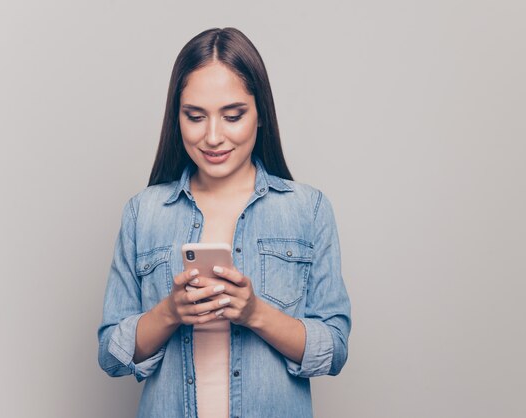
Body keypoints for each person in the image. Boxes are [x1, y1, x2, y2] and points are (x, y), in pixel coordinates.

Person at [97, 27, 351, 418]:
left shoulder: (308, 209)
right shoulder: (143, 213)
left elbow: (333, 349)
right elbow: (111, 355)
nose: (213, 137)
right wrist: (169, 313)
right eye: (195, 117)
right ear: (176, 117)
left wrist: (255, 314)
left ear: (260, 114)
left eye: (233, 116)